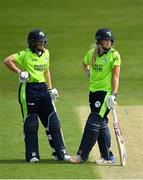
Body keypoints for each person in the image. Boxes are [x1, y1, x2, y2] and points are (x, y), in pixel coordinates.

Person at [4, 29, 76, 163]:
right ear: (32, 43)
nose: (42, 44)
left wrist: (50, 88)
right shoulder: (25, 54)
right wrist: (20, 72)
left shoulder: (46, 53)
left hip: (43, 89)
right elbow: (7, 60)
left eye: (43, 42)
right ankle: (32, 155)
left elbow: (47, 71)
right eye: (39, 42)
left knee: (53, 121)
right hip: (29, 89)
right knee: (31, 123)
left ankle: (61, 153)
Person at [75, 28, 121, 164]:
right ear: (99, 41)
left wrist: (113, 95)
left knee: (93, 121)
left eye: (109, 40)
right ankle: (108, 157)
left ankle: (82, 155)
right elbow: (84, 63)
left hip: (105, 93)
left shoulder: (114, 55)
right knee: (101, 123)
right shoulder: (91, 53)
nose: (108, 43)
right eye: (105, 40)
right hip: (93, 92)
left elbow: (116, 76)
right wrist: (88, 72)